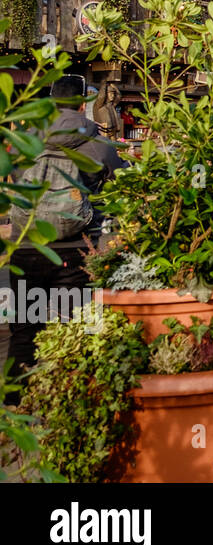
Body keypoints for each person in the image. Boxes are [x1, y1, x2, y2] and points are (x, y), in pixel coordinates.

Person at [6, 77, 125, 389]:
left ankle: (16, 406)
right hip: (75, 248)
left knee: (24, 330)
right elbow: (125, 176)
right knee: (78, 327)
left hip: (27, 245)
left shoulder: (25, 139)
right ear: (81, 103)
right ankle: (72, 399)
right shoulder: (98, 142)